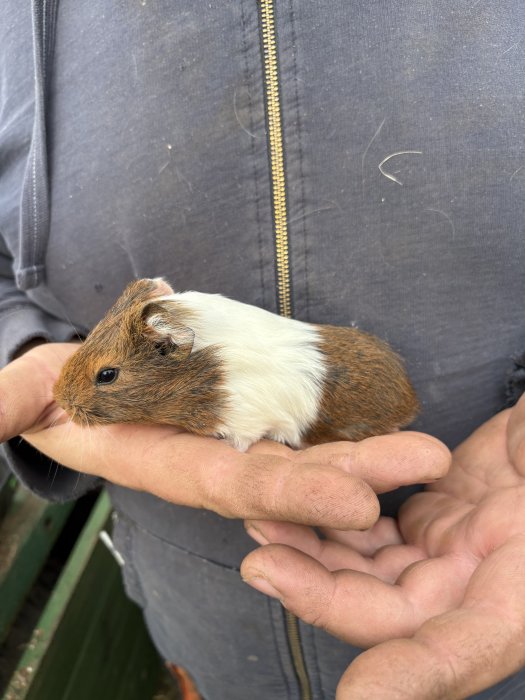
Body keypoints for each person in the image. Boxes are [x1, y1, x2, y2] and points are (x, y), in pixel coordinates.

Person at [1, 1, 524, 698]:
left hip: (470, 525)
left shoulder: (215, 371)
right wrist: (20, 341)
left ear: (174, 351)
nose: (87, 391)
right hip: (192, 593)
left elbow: (249, 410)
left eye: (105, 377)